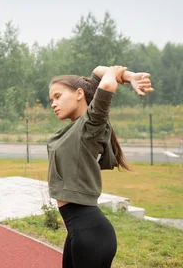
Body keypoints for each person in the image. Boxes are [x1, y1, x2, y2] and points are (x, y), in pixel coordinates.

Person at [47, 65, 153, 268]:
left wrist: (116, 73)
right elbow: (97, 71)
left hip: (91, 234)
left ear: (79, 94)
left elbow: (106, 83)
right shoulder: (78, 126)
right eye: (51, 100)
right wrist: (129, 76)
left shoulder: (91, 124)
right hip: (78, 232)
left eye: (58, 96)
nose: (54, 103)